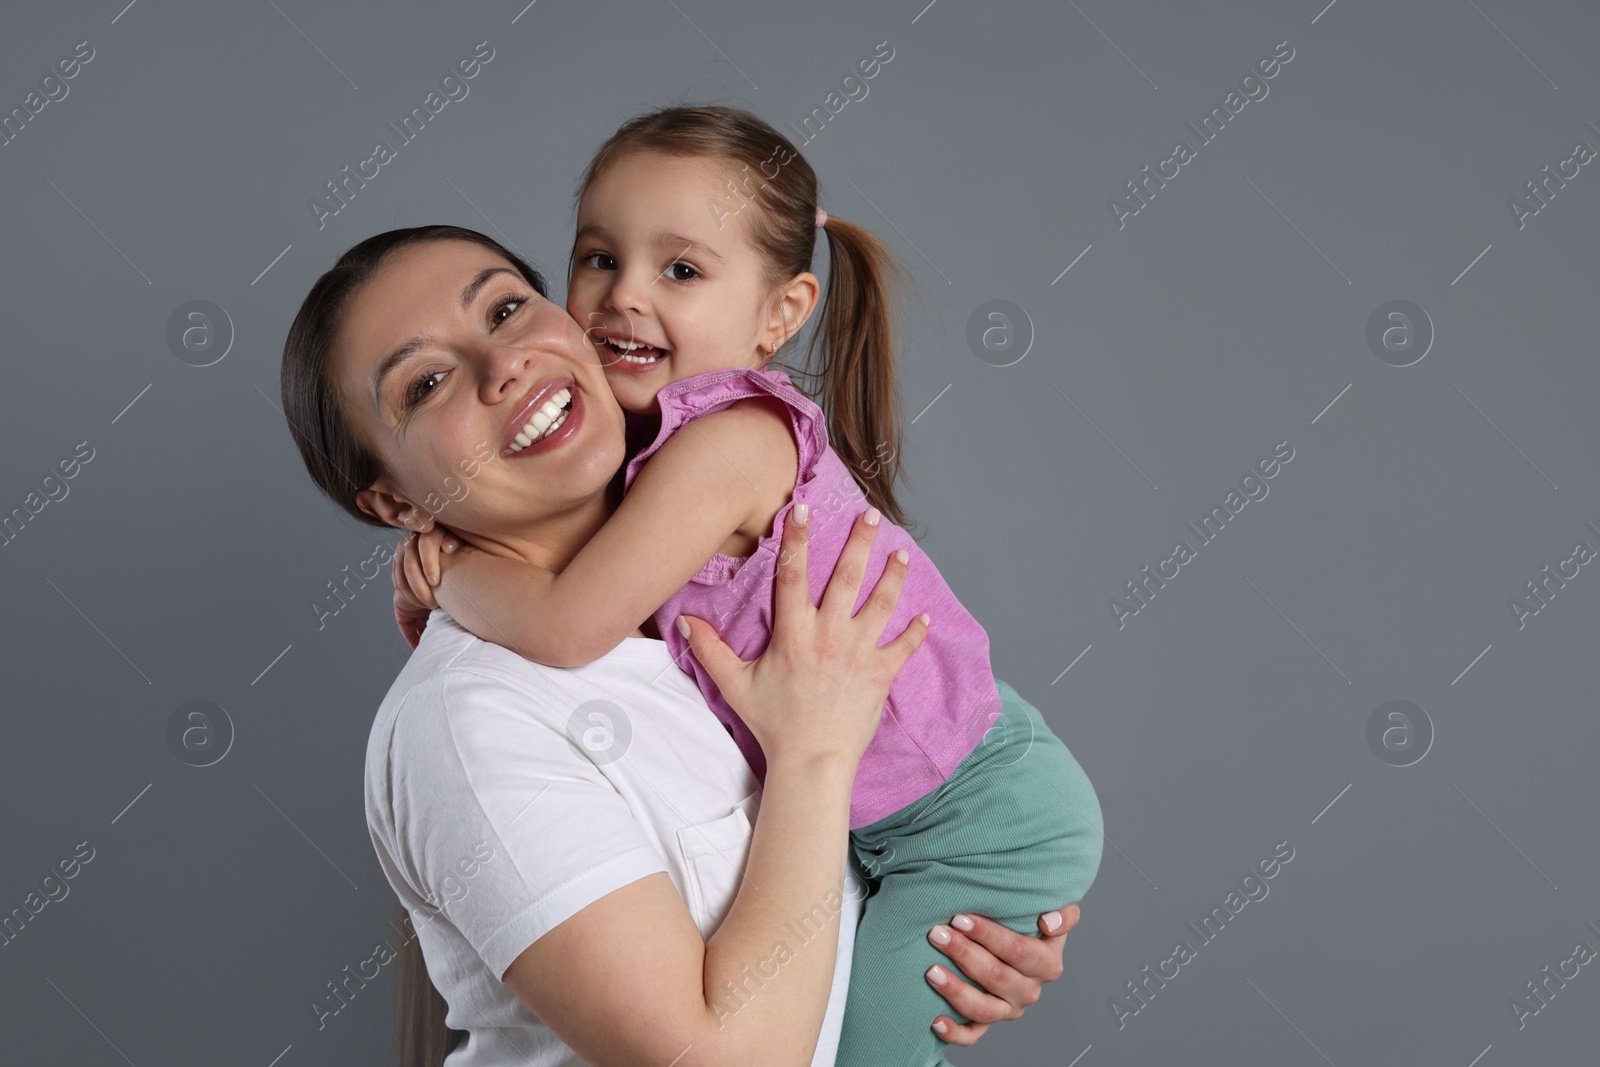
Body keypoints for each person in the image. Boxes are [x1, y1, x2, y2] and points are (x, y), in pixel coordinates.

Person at [391, 107, 1103, 1065]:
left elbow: (565, 623)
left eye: (680, 271)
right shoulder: (642, 463)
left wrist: (450, 583)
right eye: (598, 258)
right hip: (887, 809)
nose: (623, 295)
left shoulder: (729, 444)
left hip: (972, 815)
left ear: (781, 314)